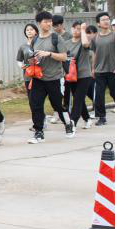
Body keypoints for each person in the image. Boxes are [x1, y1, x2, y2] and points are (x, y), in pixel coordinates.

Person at [24, 12, 73, 143]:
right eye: (46, 21)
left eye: (50, 21)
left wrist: (49, 54)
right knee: (36, 105)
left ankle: (68, 124)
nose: (49, 24)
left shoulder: (56, 38)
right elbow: (32, 57)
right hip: (38, 78)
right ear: (39, 23)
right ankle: (39, 132)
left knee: (57, 105)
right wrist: (31, 61)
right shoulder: (35, 40)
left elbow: (64, 57)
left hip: (54, 78)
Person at [91, 12, 115, 125]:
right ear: (98, 23)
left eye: (107, 19)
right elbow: (94, 54)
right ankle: (101, 117)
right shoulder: (95, 38)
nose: (106, 21)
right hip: (99, 70)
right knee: (99, 95)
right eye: (103, 20)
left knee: (114, 93)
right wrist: (93, 68)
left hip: (113, 69)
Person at [66, 23, 96, 130]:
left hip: (84, 75)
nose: (76, 30)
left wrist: (83, 30)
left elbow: (85, 44)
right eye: (74, 28)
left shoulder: (85, 41)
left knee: (78, 99)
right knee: (79, 99)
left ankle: (73, 122)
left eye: (78, 29)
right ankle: (87, 119)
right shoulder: (66, 43)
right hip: (71, 75)